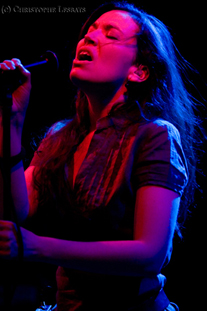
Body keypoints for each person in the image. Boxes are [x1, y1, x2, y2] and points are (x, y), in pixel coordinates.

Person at [0, 1, 202, 310]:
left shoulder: (154, 136)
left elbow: (150, 255)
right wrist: (12, 123)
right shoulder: (60, 136)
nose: (89, 38)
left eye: (110, 34)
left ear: (139, 71)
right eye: (90, 31)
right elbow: (18, 211)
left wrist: (37, 247)